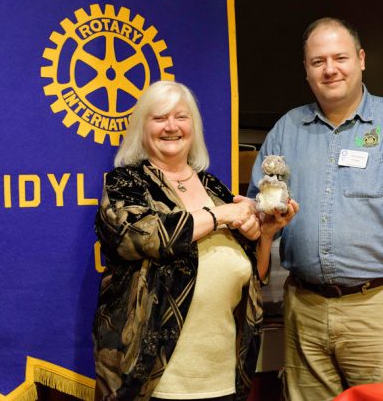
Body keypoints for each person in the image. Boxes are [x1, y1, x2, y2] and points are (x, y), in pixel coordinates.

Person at [247, 17, 383, 400]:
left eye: (339, 57)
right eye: (317, 61)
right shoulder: (286, 130)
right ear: (306, 71)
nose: (330, 69)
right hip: (303, 313)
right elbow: (256, 217)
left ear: (361, 60)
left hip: (380, 309)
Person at [93, 80, 297, 401]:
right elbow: (137, 236)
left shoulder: (214, 188)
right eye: (159, 118)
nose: (171, 126)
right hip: (154, 381)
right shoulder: (127, 183)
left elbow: (254, 278)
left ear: (194, 127)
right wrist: (220, 216)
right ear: (141, 128)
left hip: (223, 376)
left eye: (181, 117)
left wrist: (267, 233)